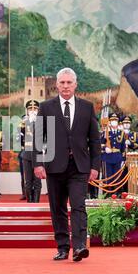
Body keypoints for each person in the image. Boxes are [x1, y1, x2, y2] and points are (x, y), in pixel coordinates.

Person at [33, 67, 101, 262]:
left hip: (79, 166)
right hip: (54, 165)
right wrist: (38, 163)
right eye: (62, 82)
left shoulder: (87, 107)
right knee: (58, 208)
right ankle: (63, 247)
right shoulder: (46, 107)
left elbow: (94, 140)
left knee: (78, 206)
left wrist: (95, 166)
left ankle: (79, 247)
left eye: (69, 82)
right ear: (57, 85)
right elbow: (39, 137)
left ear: (75, 85)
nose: (65, 86)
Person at [21, 99, 42, 203]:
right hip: (27, 155)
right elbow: (19, 137)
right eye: (30, 109)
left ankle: (36, 202)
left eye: (35, 109)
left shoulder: (42, 122)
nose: (32, 111)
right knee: (28, 181)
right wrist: (29, 122)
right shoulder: (23, 122)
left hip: (38, 155)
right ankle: (29, 203)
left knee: (37, 181)